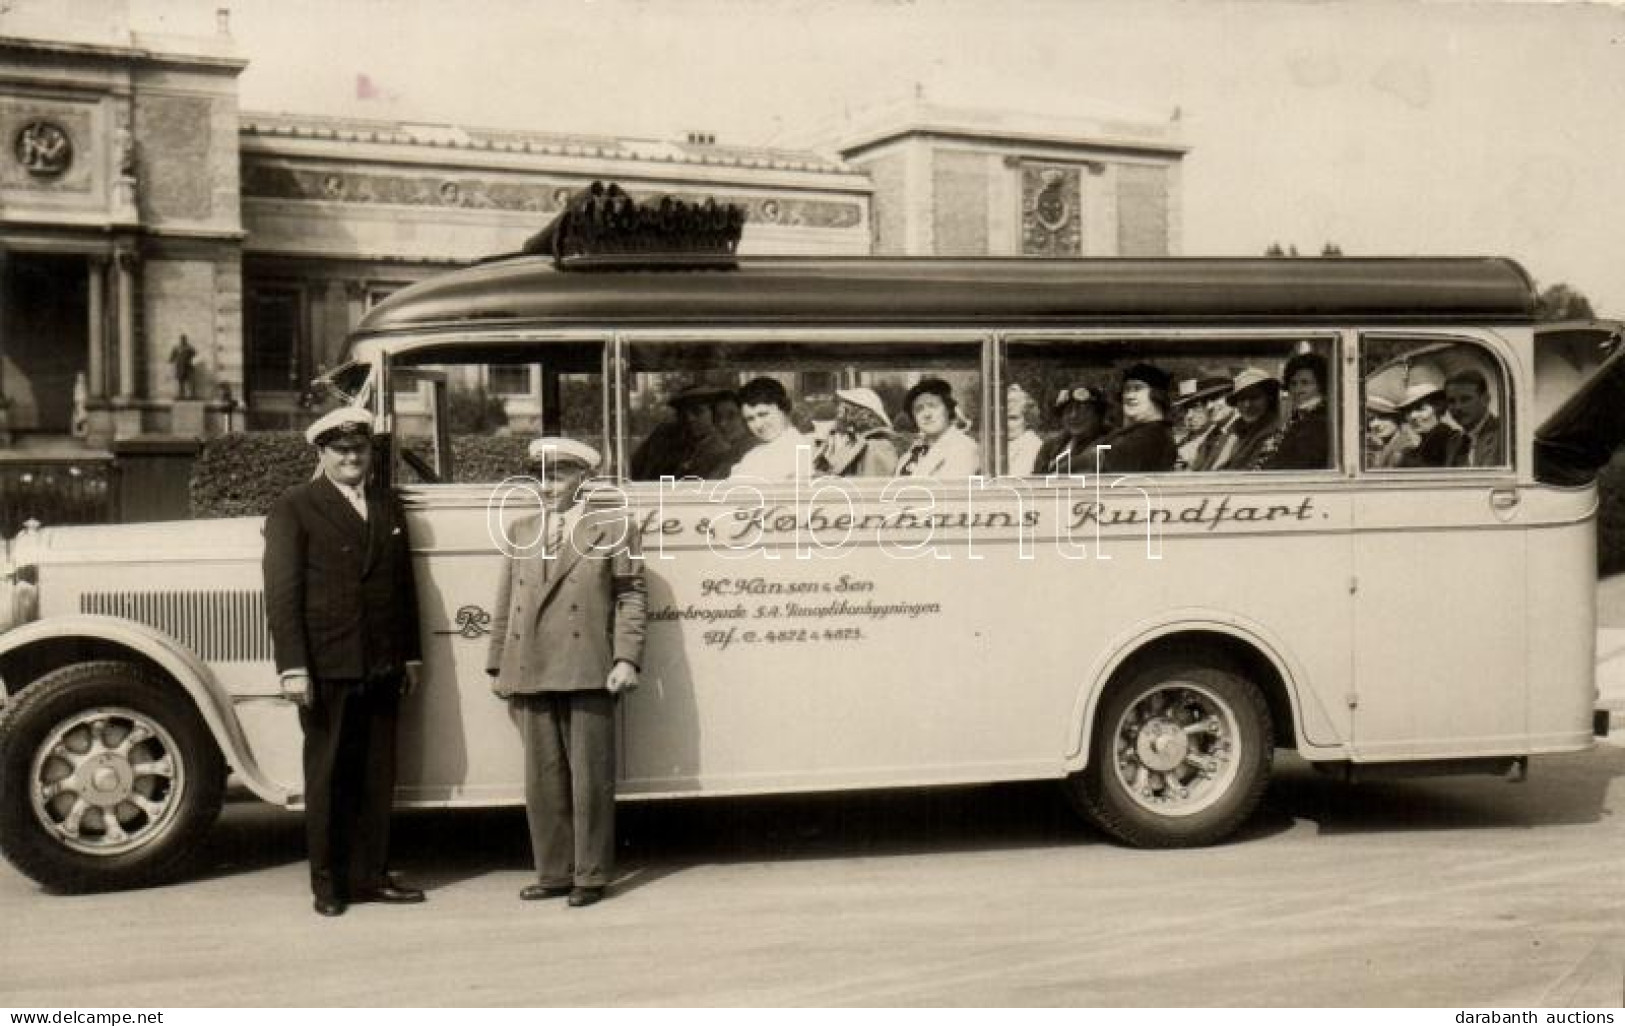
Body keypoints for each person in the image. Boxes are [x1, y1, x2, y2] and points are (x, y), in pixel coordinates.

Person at [262, 406, 425, 918]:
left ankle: (372, 875)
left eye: (360, 449)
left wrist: (411, 654)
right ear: (322, 454)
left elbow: (404, 586)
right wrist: (292, 667)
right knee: (329, 777)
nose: (352, 458)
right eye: (341, 450)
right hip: (327, 665)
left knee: (378, 776)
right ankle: (327, 885)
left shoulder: (386, 503)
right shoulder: (294, 507)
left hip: (381, 663)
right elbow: (283, 594)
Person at [486, 438, 646, 908]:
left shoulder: (614, 527)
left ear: (584, 480)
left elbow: (631, 595)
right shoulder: (521, 529)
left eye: (557, 475)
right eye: (539, 476)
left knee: (589, 778)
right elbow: (506, 602)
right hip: (529, 665)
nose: (546, 485)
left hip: (587, 665)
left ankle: (591, 875)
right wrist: (498, 662)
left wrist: (626, 658)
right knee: (542, 778)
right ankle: (553, 873)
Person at [629, 384, 733, 480]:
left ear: (714, 414)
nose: (689, 418)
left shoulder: (721, 452)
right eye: (682, 413)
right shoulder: (664, 436)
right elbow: (633, 469)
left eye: (697, 411)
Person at [1094, 363, 1178, 474]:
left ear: (1158, 395)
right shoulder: (1149, 432)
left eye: (1137, 388)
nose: (1129, 396)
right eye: (1127, 389)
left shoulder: (1147, 439)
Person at [729, 377, 814, 479]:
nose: (758, 425)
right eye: (750, 419)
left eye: (763, 414)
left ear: (784, 408)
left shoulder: (799, 448)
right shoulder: (755, 453)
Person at [895, 377, 981, 478]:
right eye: (919, 409)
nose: (927, 414)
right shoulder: (910, 455)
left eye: (933, 406)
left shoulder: (963, 447)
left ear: (948, 410)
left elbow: (951, 491)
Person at [814, 387, 901, 477]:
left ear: (865, 414)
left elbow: (873, 487)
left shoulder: (878, 446)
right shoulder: (857, 443)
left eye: (845, 408)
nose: (839, 414)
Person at [1266, 351, 1331, 470]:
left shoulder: (1318, 421)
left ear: (1321, 385)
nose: (1297, 390)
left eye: (1305, 383)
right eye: (1293, 383)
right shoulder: (1299, 417)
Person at [1214, 368, 1284, 471]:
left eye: (1254, 397)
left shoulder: (1275, 433)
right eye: (1242, 399)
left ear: (1269, 398)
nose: (1247, 405)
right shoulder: (1233, 430)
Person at [1032, 383, 1108, 476]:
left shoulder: (1108, 444)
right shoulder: (1050, 447)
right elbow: (1036, 482)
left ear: (1098, 415)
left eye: (1083, 410)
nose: (1073, 416)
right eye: (1068, 410)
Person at [1397, 372, 1461, 468]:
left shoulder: (1452, 441)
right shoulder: (1419, 447)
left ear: (1439, 409)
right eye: (1408, 411)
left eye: (1420, 409)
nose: (1412, 416)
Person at [1443, 368, 1503, 468]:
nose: (1458, 407)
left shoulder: (1504, 435)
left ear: (1485, 399)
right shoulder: (1453, 443)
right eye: (1451, 401)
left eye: (1465, 399)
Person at [1186, 377, 1236, 471]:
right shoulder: (1211, 436)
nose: (1209, 406)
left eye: (1215, 398)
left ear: (1233, 397)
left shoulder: (1242, 432)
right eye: (1205, 402)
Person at [1004, 384, 1045, 476]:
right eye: (1002, 418)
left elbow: (1017, 480)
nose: (1005, 424)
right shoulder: (997, 444)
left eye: (1013, 418)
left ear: (1027, 420)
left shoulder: (1032, 445)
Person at [1364, 394, 1411, 469]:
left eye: (1382, 417)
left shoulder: (1405, 449)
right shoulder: (1380, 444)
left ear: (1397, 418)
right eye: (1370, 419)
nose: (1374, 424)